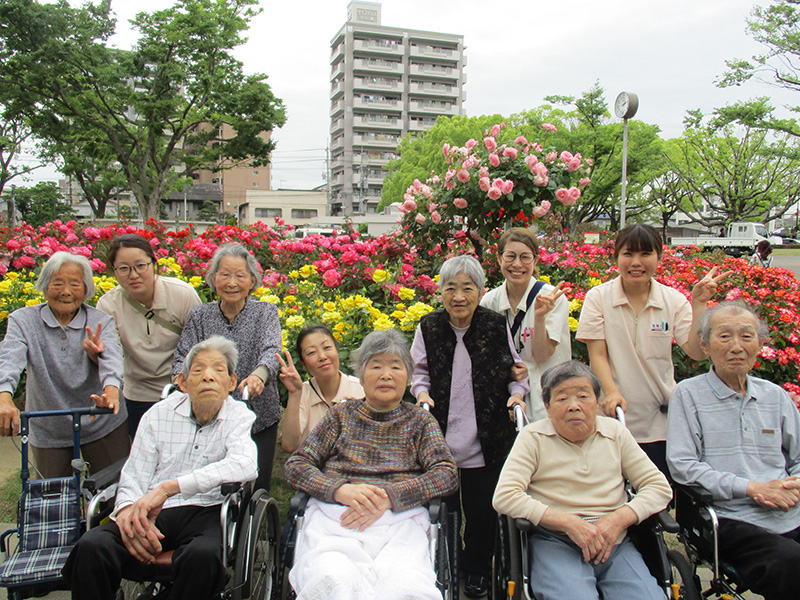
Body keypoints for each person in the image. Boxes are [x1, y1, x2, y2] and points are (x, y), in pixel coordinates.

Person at [63, 335, 258, 600]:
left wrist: (170, 487)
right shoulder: (158, 414)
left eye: (218, 370)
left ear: (232, 382)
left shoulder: (239, 416)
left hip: (207, 510)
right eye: (198, 370)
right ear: (182, 382)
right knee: (93, 545)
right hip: (151, 510)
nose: (208, 377)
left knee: (202, 556)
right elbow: (135, 473)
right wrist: (127, 512)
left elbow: (245, 464)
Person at [284, 329, 458, 600]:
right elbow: (297, 465)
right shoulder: (341, 415)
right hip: (338, 521)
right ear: (361, 375)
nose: (386, 374)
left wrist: (390, 497)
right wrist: (340, 490)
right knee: (335, 582)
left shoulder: (420, 422)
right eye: (376, 366)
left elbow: (446, 473)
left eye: (395, 366)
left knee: (403, 588)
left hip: (400, 524)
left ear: (408, 377)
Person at [493, 360, 672, 600]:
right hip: (556, 541)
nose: (574, 406)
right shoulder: (532, 437)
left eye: (583, 396)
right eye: (562, 398)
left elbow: (659, 488)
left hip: (615, 543)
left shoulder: (615, 433)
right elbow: (505, 496)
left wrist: (618, 520)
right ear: (547, 407)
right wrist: (568, 523)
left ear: (597, 403)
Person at [411, 254, 529, 597]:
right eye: (451, 288)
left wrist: (517, 395)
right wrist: (422, 394)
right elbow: (419, 373)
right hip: (440, 437)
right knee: (443, 511)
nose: (458, 296)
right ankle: (445, 563)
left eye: (467, 288)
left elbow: (515, 371)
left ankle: (476, 569)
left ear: (480, 291)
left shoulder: (494, 324)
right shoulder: (429, 326)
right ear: (441, 291)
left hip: (487, 436)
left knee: (481, 513)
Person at [667, 302, 800, 600]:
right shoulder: (688, 395)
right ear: (705, 344)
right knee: (790, 564)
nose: (736, 347)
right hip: (731, 517)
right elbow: (683, 466)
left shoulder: (775, 396)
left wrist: (795, 485)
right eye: (724, 337)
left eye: (746, 336)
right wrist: (751, 488)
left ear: (760, 345)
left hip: (789, 511)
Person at [576, 223, 728, 475]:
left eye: (645, 254)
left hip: (661, 424)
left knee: (657, 502)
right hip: (613, 420)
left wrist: (699, 304)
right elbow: (597, 355)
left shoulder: (673, 301)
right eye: (628, 254)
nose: (636, 262)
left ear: (659, 256)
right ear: (616, 257)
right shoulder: (598, 298)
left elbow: (697, 352)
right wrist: (611, 394)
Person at [0, 252, 129, 478]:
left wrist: (111, 391)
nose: (66, 292)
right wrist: (4, 397)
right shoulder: (23, 321)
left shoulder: (100, 321)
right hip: (49, 424)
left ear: (86, 289)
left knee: (112, 491)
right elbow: (10, 359)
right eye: (57, 283)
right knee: (52, 498)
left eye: (75, 284)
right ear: (44, 285)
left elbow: (112, 359)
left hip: (100, 418)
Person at [173, 243, 280, 492]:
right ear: (213, 279)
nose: (232, 282)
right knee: (213, 484)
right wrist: (182, 378)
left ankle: (256, 528)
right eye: (225, 275)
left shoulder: (265, 312)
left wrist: (258, 376)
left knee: (256, 483)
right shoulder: (201, 315)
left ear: (252, 280)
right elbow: (182, 355)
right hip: (209, 415)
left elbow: (271, 350)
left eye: (239, 275)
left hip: (257, 413)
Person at [96, 234, 201, 437]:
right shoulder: (108, 305)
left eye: (140, 266)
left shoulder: (182, 294)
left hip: (182, 391)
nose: (133, 275)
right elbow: (110, 353)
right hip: (137, 393)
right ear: (114, 272)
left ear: (154, 264)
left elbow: (201, 344)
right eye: (124, 268)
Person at [481, 227, 571, 421]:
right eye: (510, 256)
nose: (517, 264)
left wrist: (539, 317)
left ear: (536, 260)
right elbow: (484, 354)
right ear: (499, 259)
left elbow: (543, 354)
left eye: (525, 257)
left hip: (546, 401)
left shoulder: (551, 299)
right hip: (504, 401)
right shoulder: (489, 302)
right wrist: (506, 369)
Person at [277, 324, 364, 453]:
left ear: (337, 351)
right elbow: (290, 446)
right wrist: (294, 394)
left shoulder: (362, 389)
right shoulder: (302, 393)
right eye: (312, 352)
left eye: (327, 347)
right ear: (304, 364)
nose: (322, 356)